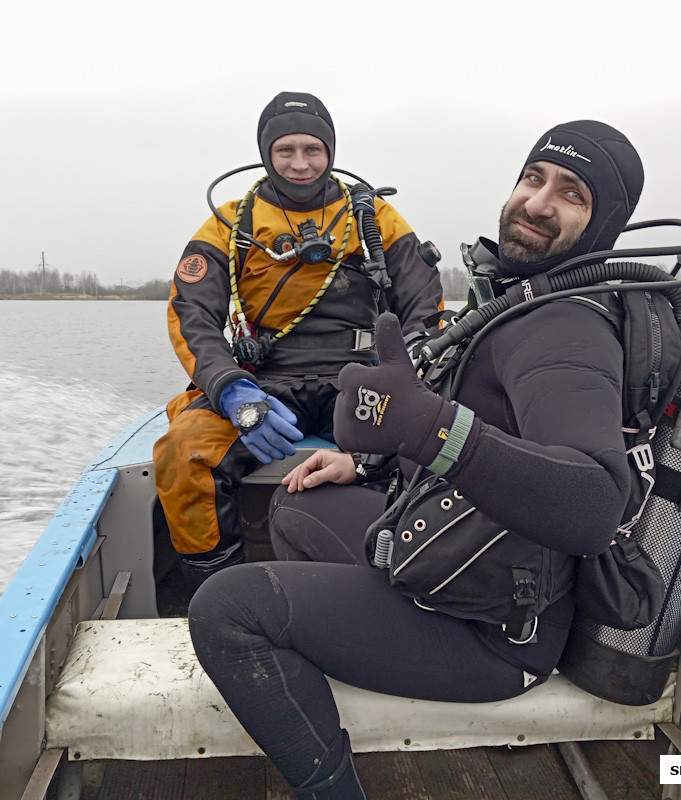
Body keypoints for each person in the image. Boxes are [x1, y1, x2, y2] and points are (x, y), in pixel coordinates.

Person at [188, 120, 644, 799]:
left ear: (604, 221)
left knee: (225, 609)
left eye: (571, 194)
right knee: (295, 499)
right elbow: (490, 434)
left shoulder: (565, 329)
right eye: (533, 178)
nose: (539, 202)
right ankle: (355, 644)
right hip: (454, 567)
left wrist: (432, 431)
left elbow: (594, 505)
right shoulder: (517, 302)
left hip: (494, 635)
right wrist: (367, 463)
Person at [153, 91, 443, 590]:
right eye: (286, 150)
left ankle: (405, 574)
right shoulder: (230, 221)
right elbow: (191, 312)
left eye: (313, 150)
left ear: (331, 151)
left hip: (357, 378)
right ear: (266, 153)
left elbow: (424, 302)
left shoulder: (376, 218)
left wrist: (415, 370)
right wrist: (231, 390)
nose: (300, 163)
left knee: (428, 444)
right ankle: (215, 585)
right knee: (183, 452)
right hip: (263, 383)